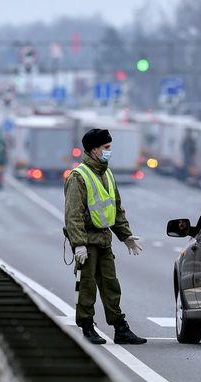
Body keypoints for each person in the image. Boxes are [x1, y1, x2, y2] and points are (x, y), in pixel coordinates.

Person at [64, 128, 147, 345]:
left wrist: (125, 235)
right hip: (88, 242)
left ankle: (120, 328)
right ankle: (87, 326)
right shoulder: (78, 177)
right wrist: (79, 244)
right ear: (94, 150)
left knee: (111, 285)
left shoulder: (107, 174)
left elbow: (116, 208)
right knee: (87, 285)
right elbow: (73, 215)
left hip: (104, 240)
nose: (110, 151)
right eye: (106, 148)